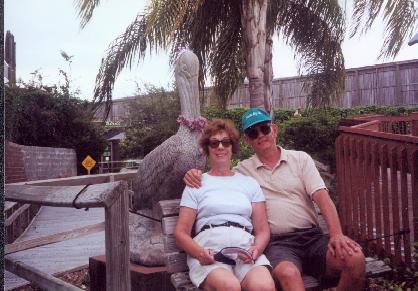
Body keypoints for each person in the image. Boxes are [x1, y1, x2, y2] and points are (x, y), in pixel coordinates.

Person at [184, 108, 366, 291]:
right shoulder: (243, 172)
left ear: (274, 130)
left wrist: (336, 234)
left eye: (264, 128)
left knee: (355, 258)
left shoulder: (300, 159)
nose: (260, 135)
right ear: (247, 140)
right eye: (253, 133)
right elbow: (220, 174)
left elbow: (322, 198)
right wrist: (193, 174)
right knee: (289, 274)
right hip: (279, 244)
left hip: (312, 237)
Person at [175, 118, 275, 291]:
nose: (220, 147)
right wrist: (200, 253)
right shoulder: (196, 183)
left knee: (264, 286)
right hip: (210, 250)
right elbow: (181, 233)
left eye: (226, 142)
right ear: (207, 148)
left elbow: (263, 230)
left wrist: (256, 249)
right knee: (230, 286)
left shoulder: (249, 183)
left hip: (244, 248)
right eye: (214, 143)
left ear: (232, 147)